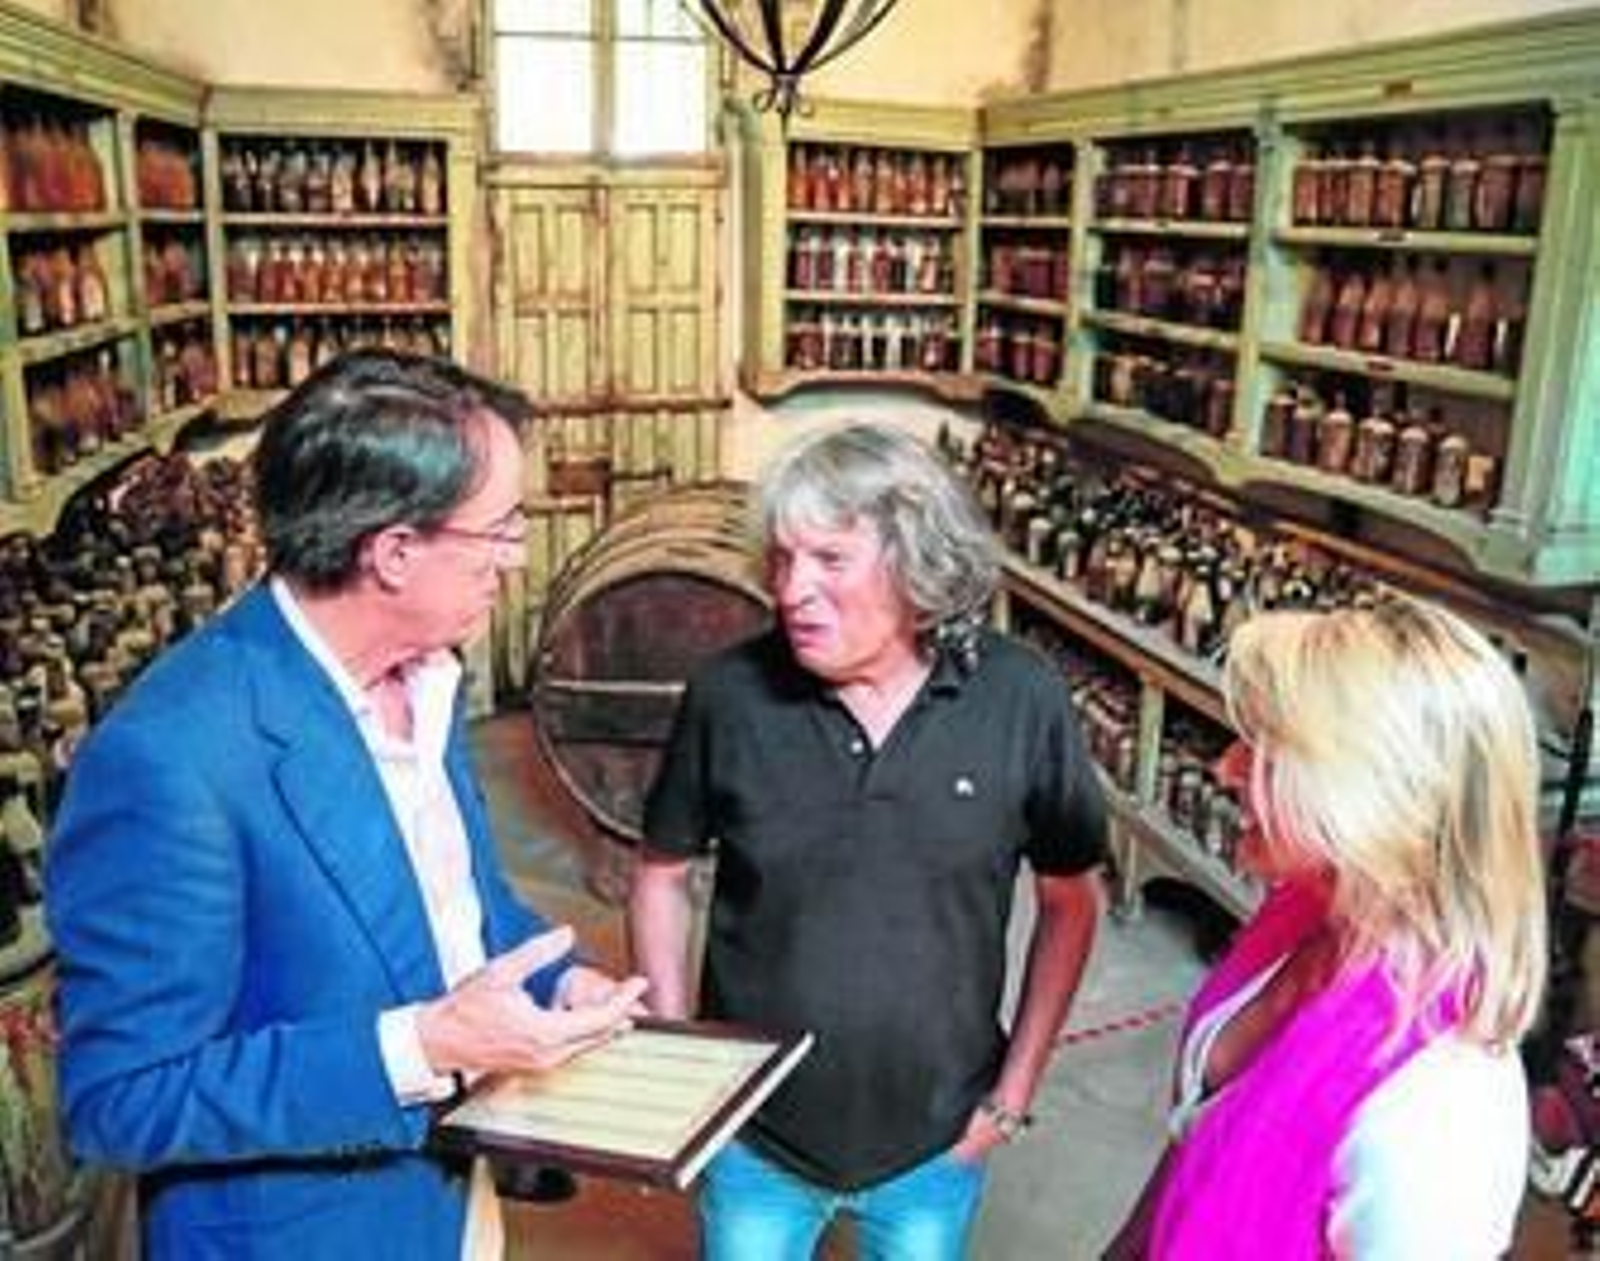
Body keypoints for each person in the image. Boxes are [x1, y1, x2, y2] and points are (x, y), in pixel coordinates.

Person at [45, 349, 648, 1258]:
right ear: (394, 553)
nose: (515, 561)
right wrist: (423, 1046)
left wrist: (553, 977)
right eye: (499, 530)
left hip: (449, 1197)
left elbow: (458, 906)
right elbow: (119, 1100)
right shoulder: (171, 758)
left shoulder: (426, 677)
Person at [628, 421, 1107, 1259]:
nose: (790, 590)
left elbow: (1072, 901)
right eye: (781, 560)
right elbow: (660, 875)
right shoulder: (730, 695)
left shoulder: (1020, 697)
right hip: (755, 1135)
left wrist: (1013, 1090)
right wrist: (677, 1080)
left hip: (938, 1136)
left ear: (917, 561)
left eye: (829, 560)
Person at [1107, 595, 1546, 1258]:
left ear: (1377, 794)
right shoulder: (1307, 910)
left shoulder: (1441, 1109)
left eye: (1265, 751)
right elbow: (1196, 1134)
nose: (1225, 767)